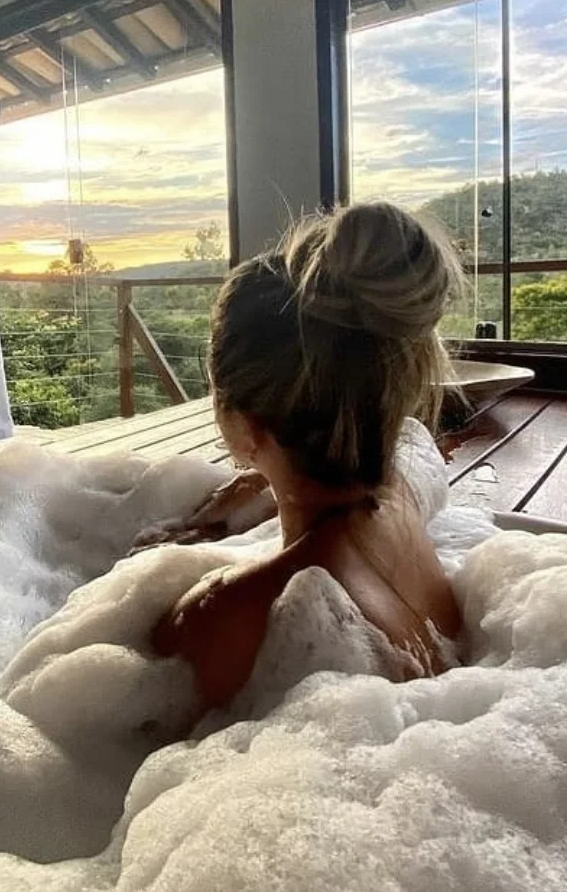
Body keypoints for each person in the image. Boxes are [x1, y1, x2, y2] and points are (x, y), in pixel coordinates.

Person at [151, 202, 465, 714]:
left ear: (243, 424)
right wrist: (255, 490)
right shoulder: (407, 502)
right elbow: (411, 452)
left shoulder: (232, 617)